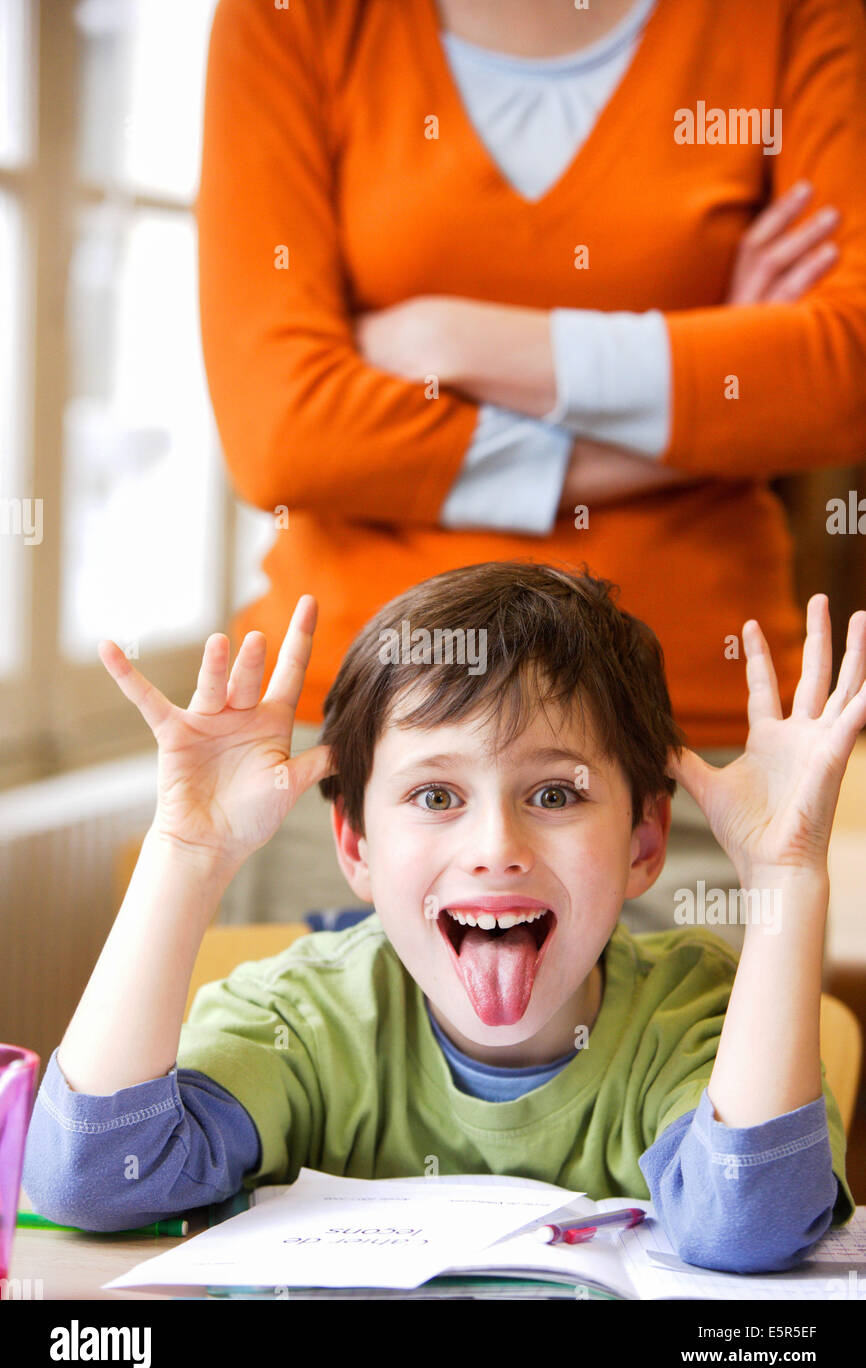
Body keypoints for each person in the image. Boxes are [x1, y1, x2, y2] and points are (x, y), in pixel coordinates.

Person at [196, 0, 866, 938]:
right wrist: (702, 393)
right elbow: (283, 429)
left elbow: (842, 371)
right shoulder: (293, 19)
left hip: (691, 751)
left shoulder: (796, 18)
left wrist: (452, 339)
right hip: (356, 745)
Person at [21, 562, 862, 1272]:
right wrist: (187, 851)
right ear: (353, 842)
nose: (497, 847)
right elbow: (95, 1177)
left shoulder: (693, 1018)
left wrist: (786, 876)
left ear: (645, 837)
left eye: (556, 793)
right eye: (435, 795)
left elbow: (751, 1225)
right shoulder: (305, 1022)